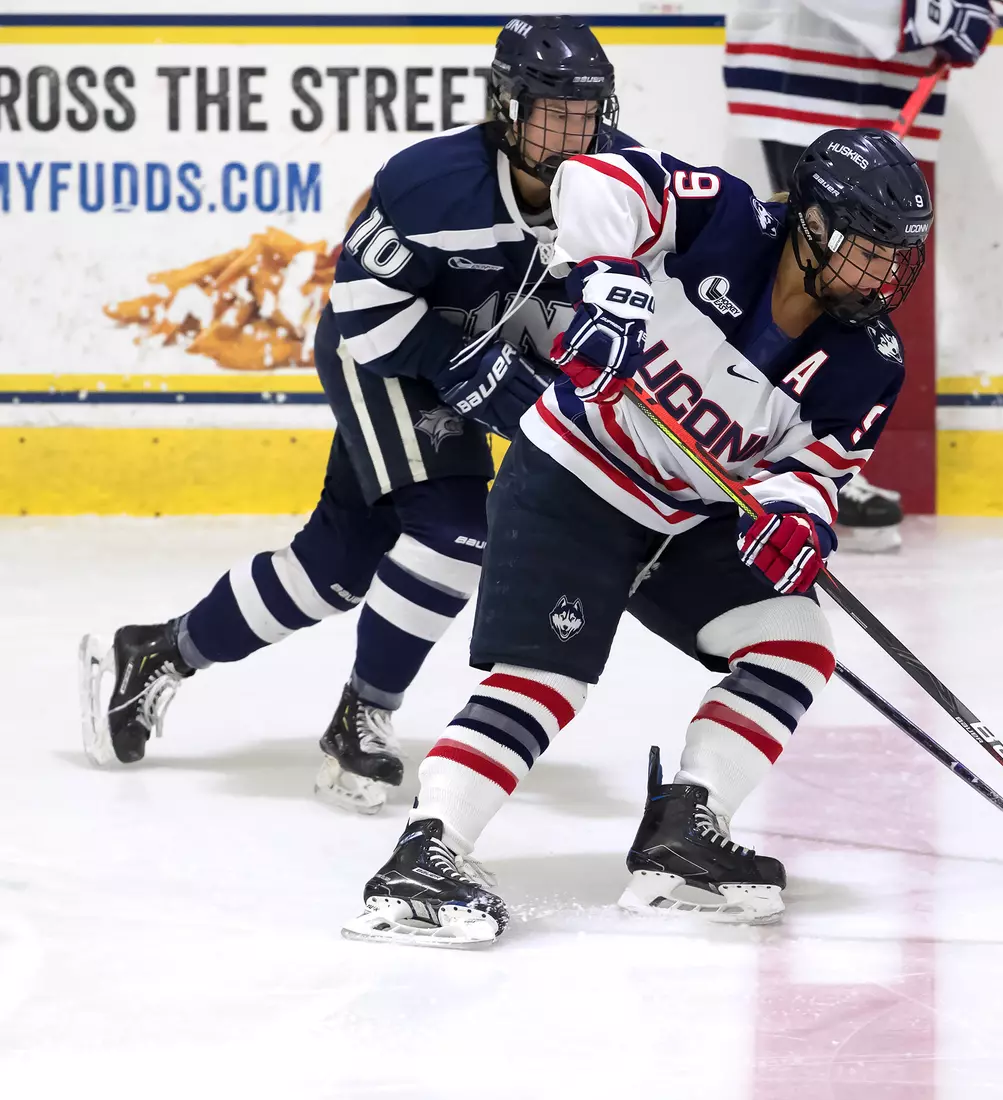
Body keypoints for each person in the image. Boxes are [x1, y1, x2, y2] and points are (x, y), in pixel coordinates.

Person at [340, 125, 933, 946]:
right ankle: (425, 853)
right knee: (546, 679)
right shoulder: (722, 219)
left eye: (899, 256)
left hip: (686, 516)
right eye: (869, 248)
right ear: (812, 221)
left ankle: (685, 831)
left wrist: (799, 516)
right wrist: (613, 281)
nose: (886, 274)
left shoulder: (869, 360)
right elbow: (591, 178)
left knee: (795, 640)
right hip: (572, 481)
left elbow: (814, 467)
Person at [77, 16, 636, 815]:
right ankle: (363, 716)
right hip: (382, 352)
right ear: (506, 109)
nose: (572, 135)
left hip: (468, 359)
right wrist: (473, 372)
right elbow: (362, 313)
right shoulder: (433, 182)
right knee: (455, 535)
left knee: (335, 567)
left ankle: (158, 652)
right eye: (552, 113)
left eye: (586, 115)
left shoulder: (622, 185)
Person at [723, 0, 997, 551]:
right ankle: (784, 454)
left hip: (867, 74)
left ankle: (811, 458)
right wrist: (925, 12)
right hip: (810, 61)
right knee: (819, 266)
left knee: (842, 277)